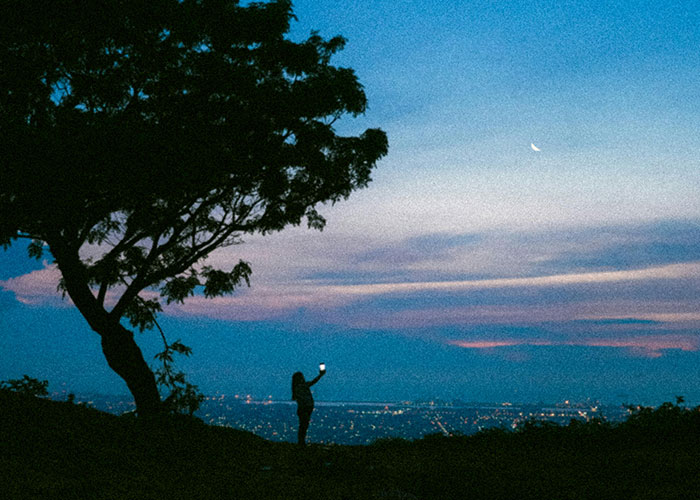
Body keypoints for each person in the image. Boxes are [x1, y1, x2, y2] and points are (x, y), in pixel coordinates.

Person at [291, 366, 326, 446]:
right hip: (304, 409)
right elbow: (313, 382)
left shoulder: (299, 387)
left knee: (303, 425)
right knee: (303, 426)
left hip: (305, 409)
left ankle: (301, 442)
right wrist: (320, 375)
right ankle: (301, 442)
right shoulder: (301, 387)